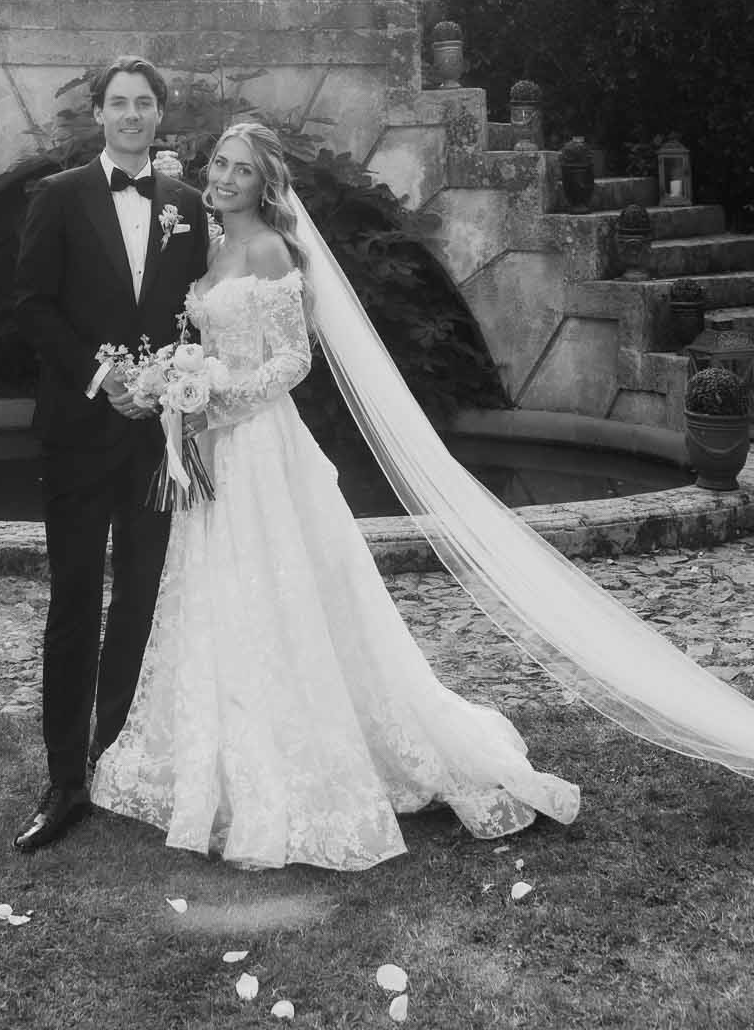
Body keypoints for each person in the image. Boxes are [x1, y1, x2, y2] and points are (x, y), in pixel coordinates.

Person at [90, 119, 580, 869]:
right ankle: (215, 755)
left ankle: (304, 760)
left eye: (241, 171)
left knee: (282, 591)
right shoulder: (210, 247)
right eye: (218, 164)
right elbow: (203, 342)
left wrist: (215, 396)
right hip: (212, 446)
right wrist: (180, 384)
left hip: (260, 446)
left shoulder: (272, 250)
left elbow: (292, 360)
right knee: (221, 595)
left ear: (265, 184)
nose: (222, 179)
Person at [11, 55, 210, 854]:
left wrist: (169, 380)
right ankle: (62, 779)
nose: (131, 115)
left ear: (161, 115)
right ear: (98, 114)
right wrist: (107, 378)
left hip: (155, 438)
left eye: (144, 103)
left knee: (138, 598)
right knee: (72, 601)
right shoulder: (57, 198)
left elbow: (200, 314)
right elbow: (30, 308)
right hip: (79, 429)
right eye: (118, 103)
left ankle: (115, 757)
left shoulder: (190, 208)